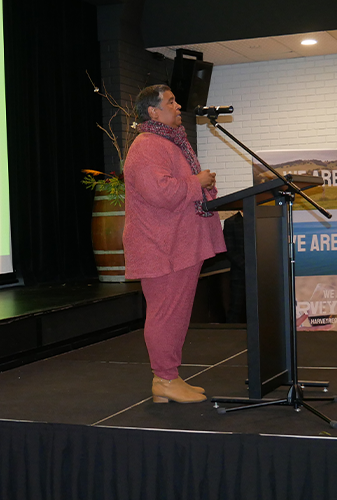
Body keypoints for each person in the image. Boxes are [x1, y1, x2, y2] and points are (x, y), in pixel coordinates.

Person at [122, 85, 227, 404]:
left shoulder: (166, 142)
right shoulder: (147, 145)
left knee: (175, 313)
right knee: (166, 314)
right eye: (170, 102)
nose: (178, 106)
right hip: (161, 246)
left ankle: (168, 378)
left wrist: (198, 183)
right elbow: (161, 193)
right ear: (153, 112)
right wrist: (199, 182)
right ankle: (165, 380)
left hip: (175, 244)